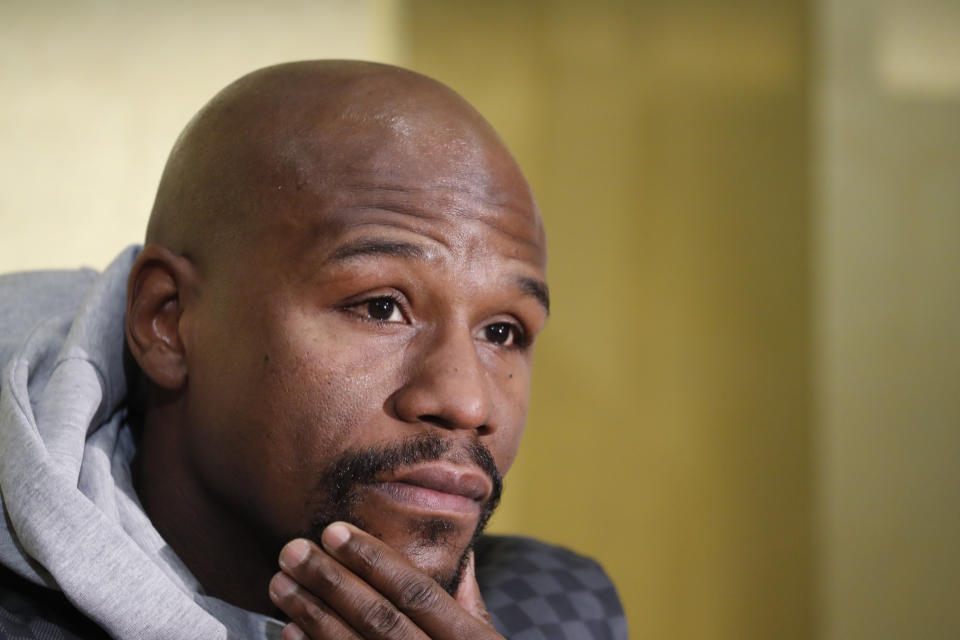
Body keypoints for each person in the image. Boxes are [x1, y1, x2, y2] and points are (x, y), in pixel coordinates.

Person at [0, 61, 626, 640]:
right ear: (167, 320)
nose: (467, 401)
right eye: (381, 306)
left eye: (502, 332)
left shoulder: (559, 609)